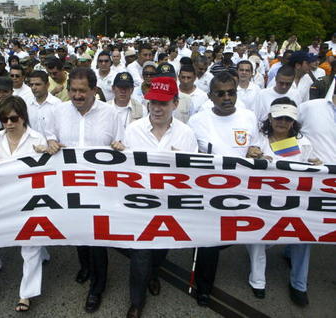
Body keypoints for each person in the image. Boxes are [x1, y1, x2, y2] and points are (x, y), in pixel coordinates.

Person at [44, 67, 122, 314]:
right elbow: (48, 137)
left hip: (100, 190)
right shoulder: (57, 112)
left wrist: (120, 147)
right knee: (77, 232)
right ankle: (85, 266)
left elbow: (122, 148)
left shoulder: (111, 114)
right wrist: (50, 143)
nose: (77, 95)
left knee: (98, 239)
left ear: (94, 90)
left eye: (82, 91)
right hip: (70, 187)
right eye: (73, 90)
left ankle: (97, 287)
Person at [122, 76, 198, 318]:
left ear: (175, 104)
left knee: (161, 248)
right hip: (140, 205)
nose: (156, 107)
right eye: (152, 102)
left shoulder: (186, 134)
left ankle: (154, 274)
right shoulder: (133, 131)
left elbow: (194, 174)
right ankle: (137, 300)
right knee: (140, 253)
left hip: (170, 205)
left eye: (163, 103)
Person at [188, 71, 262, 307]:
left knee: (227, 236)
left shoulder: (249, 117)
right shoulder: (197, 121)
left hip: (241, 191)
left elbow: (257, 146)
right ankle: (204, 287)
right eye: (220, 94)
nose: (227, 97)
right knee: (208, 242)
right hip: (207, 191)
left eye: (231, 92)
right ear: (210, 96)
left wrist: (256, 152)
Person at [246, 97, 320, 305]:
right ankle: (257, 280)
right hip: (261, 202)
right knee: (257, 236)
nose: (283, 122)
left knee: (306, 236)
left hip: (293, 203)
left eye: (288, 119)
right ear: (270, 117)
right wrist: (250, 156)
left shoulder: (303, 144)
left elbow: (312, 172)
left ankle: (299, 284)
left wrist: (317, 166)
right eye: (279, 117)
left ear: (294, 122)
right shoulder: (258, 139)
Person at [0, 96, 47, 315]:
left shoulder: (38, 139)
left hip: (30, 199)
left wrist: (47, 151)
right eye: (4, 119)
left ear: (23, 118)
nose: (8, 123)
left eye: (13, 118)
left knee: (30, 246)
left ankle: (26, 293)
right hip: (3, 200)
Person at [27, 70, 61, 135]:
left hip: (52, 144)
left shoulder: (57, 104)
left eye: (37, 84)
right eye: (31, 85)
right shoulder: (27, 103)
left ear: (47, 85)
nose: (33, 88)